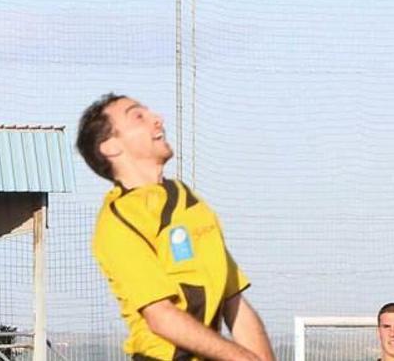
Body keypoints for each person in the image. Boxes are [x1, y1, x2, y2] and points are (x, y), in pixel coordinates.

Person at [79, 94, 273, 361]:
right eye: (138, 116)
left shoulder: (190, 202)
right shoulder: (117, 220)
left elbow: (234, 301)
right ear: (111, 146)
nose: (158, 119)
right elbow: (161, 317)